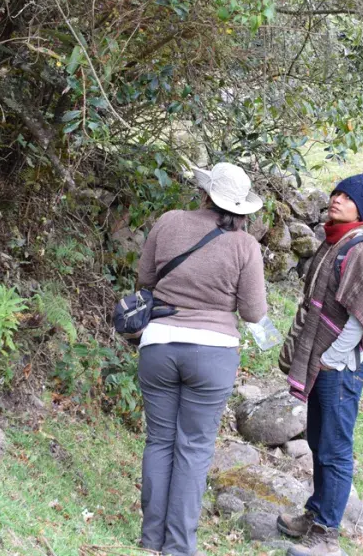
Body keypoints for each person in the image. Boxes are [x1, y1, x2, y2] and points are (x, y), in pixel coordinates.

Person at [135, 163, 268, 556]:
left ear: (205, 193)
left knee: (159, 440)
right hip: (213, 353)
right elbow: (254, 312)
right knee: (193, 448)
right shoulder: (245, 246)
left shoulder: (169, 221)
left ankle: (150, 540)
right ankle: (178, 548)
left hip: (158, 344)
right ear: (240, 207)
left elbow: (145, 278)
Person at [277, 174, 363, 556]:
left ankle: (326, 534)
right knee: (317, 440)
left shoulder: (360, 250)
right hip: (324, 364)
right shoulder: (334, 240)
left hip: (339, 368)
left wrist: (331, 358)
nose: (336, 199)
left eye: (347, 196)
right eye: (335, 193)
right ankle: (316, 512)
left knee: (335, 448)